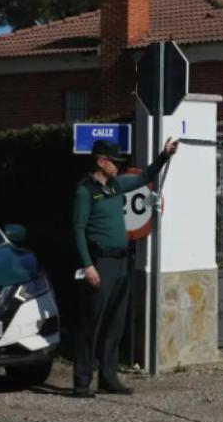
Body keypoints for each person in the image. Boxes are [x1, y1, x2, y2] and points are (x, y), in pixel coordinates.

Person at [71, 138, 179, 398]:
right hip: (101, 263)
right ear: (101, 161)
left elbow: (144, 178)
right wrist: (87, 266)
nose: (118, 166)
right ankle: (82, 382)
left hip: (121, 262)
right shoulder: (85, 190)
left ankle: (108, 378)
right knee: (93, 323)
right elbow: (77, 229)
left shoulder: (115, 186)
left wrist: (164, 156)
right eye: (114, 162)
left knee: (115, 323)